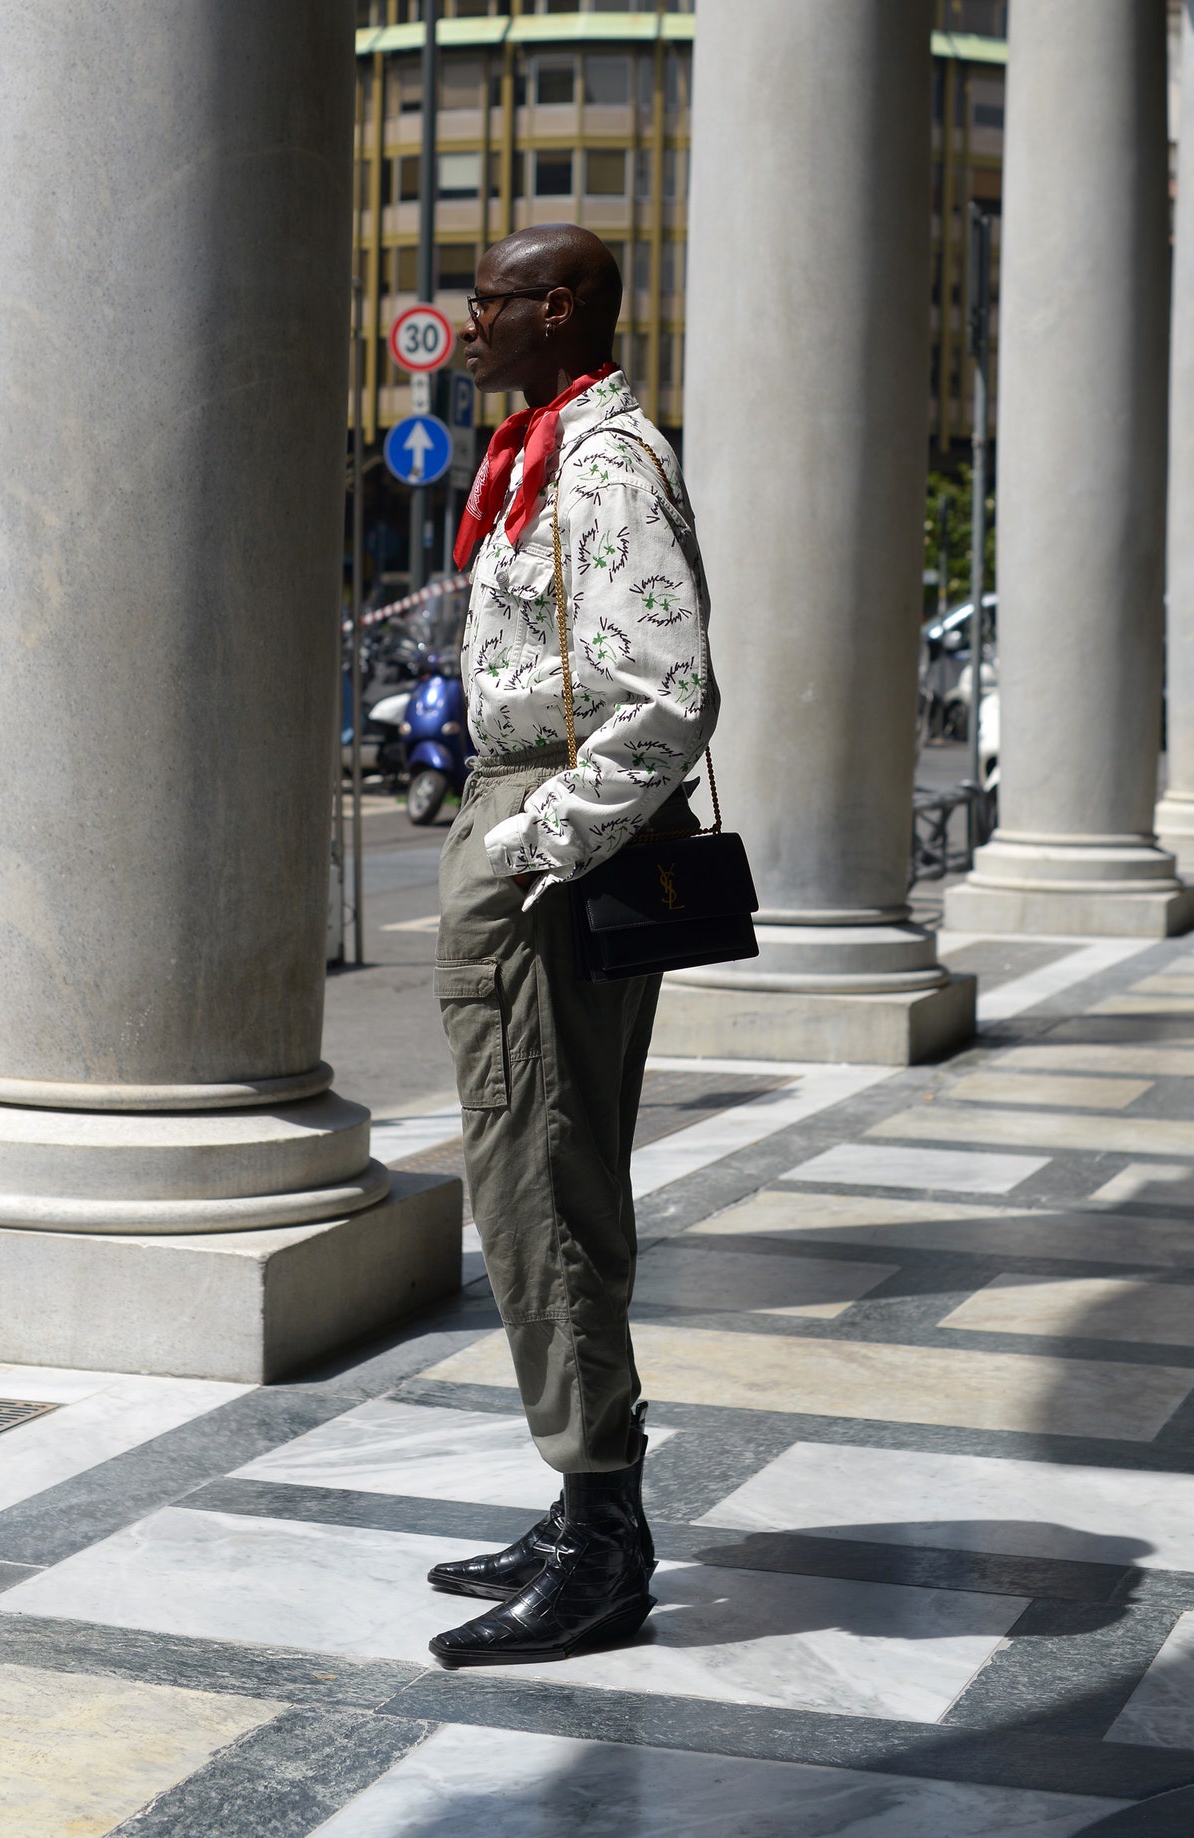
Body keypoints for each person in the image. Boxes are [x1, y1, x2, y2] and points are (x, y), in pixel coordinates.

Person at [425, 222, 718, 1668]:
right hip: (528, 821)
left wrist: (533, 841)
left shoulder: (600, 466)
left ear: (560, 307)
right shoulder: (547, 449)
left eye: (489, 301)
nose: (466, 322)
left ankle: (603, 1531)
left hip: (547, 841)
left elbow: (666, 698)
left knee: (540, 1174)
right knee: (536, 1166)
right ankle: (578, 1490)